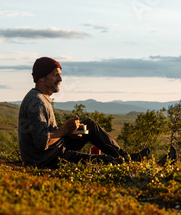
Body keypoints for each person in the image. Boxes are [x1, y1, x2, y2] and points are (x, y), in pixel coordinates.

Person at [17, 57, 150, 168]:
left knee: (89, 125)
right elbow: (42, 142)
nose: (60, 79)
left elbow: (45, 136)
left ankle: (126, 157)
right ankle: (129, 163)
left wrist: (70, 132)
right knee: (105, 162)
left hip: (53, 151)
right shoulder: (36, 101)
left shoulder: (41, 98)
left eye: (60, 75)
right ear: (41, 78)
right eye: (55, 74)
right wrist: (64, 130)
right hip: (47, 160)